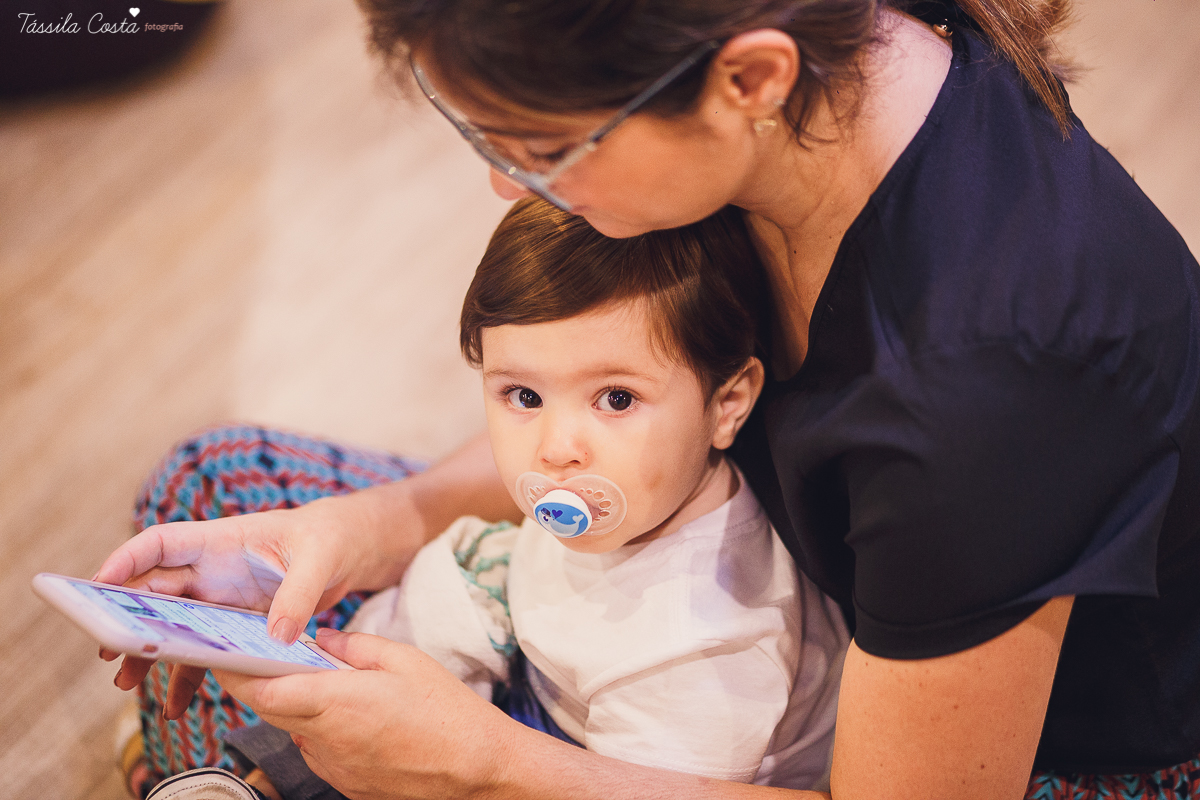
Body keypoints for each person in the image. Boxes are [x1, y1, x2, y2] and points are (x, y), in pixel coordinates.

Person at [96, 0, 1200, 798]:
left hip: (1046, 751)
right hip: (768, 566)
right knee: (213, 491)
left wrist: (483, 765)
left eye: (543, 145)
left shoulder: (986, 374)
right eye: (484, 135)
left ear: (750, 81)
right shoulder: (816, 85)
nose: (505, 185)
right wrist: (372, 527)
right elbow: (624, 421)